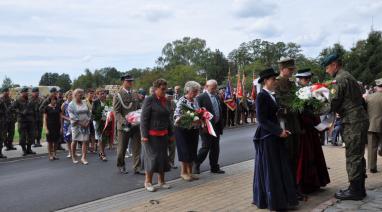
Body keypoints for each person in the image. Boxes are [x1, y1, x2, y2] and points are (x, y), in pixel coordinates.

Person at [322, 53, 369, 200]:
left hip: (352, 121)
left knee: (353, 156)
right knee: (358, 155)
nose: (326, 71)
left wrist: (314, 108)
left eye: (327, 67)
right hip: (358, 119)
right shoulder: (348, 76)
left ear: (335, 65)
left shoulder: (340, 79)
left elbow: (332, 104)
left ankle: (355, 191)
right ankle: (358, 187)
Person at [252, 68, 298, 211]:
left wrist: (282, 125)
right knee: (272, 169)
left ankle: (283, 199)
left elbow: (273, 115)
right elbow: (262, 120)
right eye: (273, 80)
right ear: (266, 81)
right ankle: (275, 202)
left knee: (280, 168)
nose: (275, 82)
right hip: (268, 137)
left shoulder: (271, 95)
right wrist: (278, 132)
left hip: (275, 135)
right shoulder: (261, 96)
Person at [295, 68, 330, 194]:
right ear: (299, 79)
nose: (308, 81)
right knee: (305, 157)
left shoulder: (310, 90)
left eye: (309, 79)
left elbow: (314, 107)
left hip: (312, 127)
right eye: (306, 79)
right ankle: (306, 185)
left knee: (315, 154)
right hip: (304, 128)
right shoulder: (297, 92)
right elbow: (301, 111)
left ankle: (316, 183)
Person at [140, 79, 174, 192]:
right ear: (156, 89)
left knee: (163, 158)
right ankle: (148, 182)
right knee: (152, 159)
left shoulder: (166, 100)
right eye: (162, 89)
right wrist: (144, 135)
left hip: (163, 134)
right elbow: (144, 119)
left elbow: (168, 119)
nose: (165, 91)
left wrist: (171, 133)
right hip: (151, 135)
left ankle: (161, 181)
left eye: (165, 89)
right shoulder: (149, 100)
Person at [274, 57, 301, 187]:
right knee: (287, 157)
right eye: (290, 69)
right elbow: (278, 104)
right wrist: (292, 107)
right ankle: (288, 188)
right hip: (284, 124)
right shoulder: (276, 83)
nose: (292, 72)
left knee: (295, 156)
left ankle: (294, 187)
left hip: (294, 124)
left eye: (292, 69)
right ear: (283, 69)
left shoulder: (290, 83)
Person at [193, 79, 225, 174]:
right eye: (213, 87)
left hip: (217, 126)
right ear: (206, 87)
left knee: (215, 148)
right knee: (206, 147)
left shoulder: (217, 97)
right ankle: (196, 164)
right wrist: (202, 125)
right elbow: (197, 113)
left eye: (216, 87)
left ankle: (214, 167)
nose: (215, 89)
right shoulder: (200, 97)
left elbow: (220, 109)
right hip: (206, 127)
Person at [113, 74, 142, 174]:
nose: (130, 82)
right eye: (128, 81)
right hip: (124, 125)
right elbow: (116, 112)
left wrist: (138, 117)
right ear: (123, 81)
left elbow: (138, 108)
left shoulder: (134, 94)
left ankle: (137, 167)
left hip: (135, 125)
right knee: (122, 148)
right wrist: (125, 122)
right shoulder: (118, 95)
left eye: (131, 81)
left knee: (137, 147)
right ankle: (121, 165)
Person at [174, 81, 201, 181]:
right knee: (184, 151)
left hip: (193, 129)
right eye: (194, 91)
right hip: (182, 130)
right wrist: (184, 118)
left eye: (196, 91)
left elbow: (198, 111)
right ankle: (183, 172)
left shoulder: (195, 100)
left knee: (192, 151)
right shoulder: (182, 101)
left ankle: (190, 172)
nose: (196, 93)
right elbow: (176, 115)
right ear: (188, 90)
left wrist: (200, 116)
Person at [68, 89, 91, 165]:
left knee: (85, 141)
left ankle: (83, 158)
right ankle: (73, 156)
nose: (81, 95)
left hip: (86, 124)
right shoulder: (71, 104)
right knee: (74, 140)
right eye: (79, 94)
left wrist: (88, 121)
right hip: (76, 125)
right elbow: (72, 117)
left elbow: (89, 112)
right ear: (75, 95)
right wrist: (82, 124)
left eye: (82, 93)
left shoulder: (85, 102)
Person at [12, 87, 37, 156]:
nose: (27, 93)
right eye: (25, 92)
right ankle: (24, 150)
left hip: (30, 121)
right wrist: (20, 112)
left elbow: (34, 110)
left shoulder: (30, 100)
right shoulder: (18, 100)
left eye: (27, 92)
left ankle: (29, 149)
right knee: (22, 137)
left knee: (31, 136)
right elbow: (13, 108)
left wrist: (34, 119)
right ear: (22, 93)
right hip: (22, 121)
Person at [365, 78, 382, 173]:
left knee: (372, 147)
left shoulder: (369, 97)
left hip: (371, 125)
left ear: (377, 86)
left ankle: (372, 167)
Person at [92, 88, 109, 161]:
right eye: (101, 93)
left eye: (104, 93)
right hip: (98, 122)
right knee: (100, 138)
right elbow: (93, 113)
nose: (103, 95)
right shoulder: (95, 102)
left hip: (106, 122)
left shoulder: (107, 102)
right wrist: (99, 118)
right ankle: (102, 153)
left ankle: (101, 151)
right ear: (97, 95)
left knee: (105, 138)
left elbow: (110, 110)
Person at [166, 88, 177, 169]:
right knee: (164, 147)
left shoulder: (173, 103)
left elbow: (176, 113)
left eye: (171, 96)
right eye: (169, 96)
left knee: (172, 147)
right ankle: (165, 163)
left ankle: (171, 162)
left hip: (172, 128)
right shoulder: (161, 103)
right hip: (164, 128)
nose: (170, 98)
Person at [61, 90, 73, 158]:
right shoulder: (64, 104)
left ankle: (74, 151)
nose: (71, 96)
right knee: (68, 139)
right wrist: (68, 118)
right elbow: (61, 115)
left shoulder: (74, 103)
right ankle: (70, 152)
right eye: (70, 95)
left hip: (74, 123)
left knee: (74, 138)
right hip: (67, 123)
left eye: (72, 94)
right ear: (67, 96)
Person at [86, 89, 96, 153]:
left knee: (93, 134)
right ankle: (87, 148)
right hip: (86, 120)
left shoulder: (94, 101)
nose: (92, 94)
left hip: (92, 120)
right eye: (90, 93)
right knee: (87, 134)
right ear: (88, 94)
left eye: (93, 93)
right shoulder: (84, 101)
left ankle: (93, 147)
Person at [0, 89, 8, 158]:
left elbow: (6, 111)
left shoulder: (2, 100)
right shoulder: (1, 100)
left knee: (2, 138)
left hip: (2, 122)